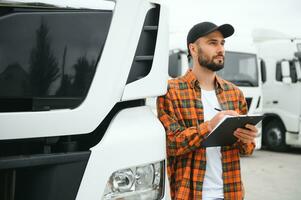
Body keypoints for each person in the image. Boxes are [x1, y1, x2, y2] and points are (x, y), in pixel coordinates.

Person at [157, 22, 258, 200]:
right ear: (193, 49)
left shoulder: (234, 94)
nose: (220, 49)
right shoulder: (170, 91)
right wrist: (211, 125)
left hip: (230, 193)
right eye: (212, 43)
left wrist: (247, 139)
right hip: (189, 193)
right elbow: (171, 144)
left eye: (222, 43)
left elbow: (246, 150)